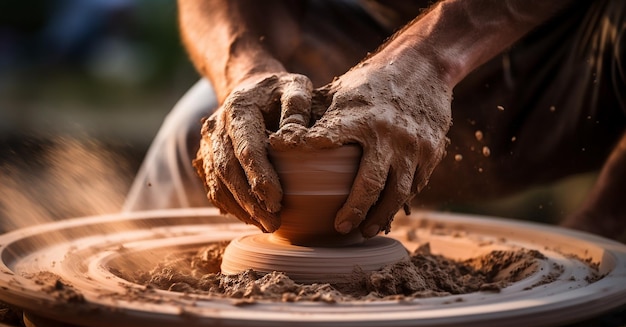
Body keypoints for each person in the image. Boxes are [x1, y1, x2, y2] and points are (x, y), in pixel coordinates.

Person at [124, 0, 626, 241]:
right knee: (203, 129)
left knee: (597, 275)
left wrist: (429, 58)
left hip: (578, 62)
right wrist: (243, 68)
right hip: (361, 47)